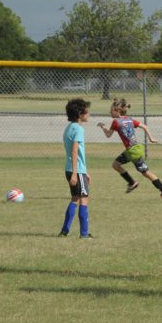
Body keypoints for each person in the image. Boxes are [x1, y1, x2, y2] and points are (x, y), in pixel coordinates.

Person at [98, 97, 162, 199]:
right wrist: (151, 138)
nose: (109, 112)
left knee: (142, 171)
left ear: (117, 110)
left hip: (132, 152)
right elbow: (144, 126)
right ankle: (136, 183)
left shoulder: (116, 122)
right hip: (135, 149)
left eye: (111, 110)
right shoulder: (129, 119)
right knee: (120, 165)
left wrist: (103, 126)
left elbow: (108, 135)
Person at [59, 98, 92, 238]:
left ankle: (64, 231)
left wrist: (85, 172)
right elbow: (74, 151)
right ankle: (84, 234)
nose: (89, 113)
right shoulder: (78, 129)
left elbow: (77, 155)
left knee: (75, 199)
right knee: (84, 199)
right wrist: (75, 173)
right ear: (80, 113)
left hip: (73, 169)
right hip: (76, 171)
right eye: (86, 111)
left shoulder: (69, 128)